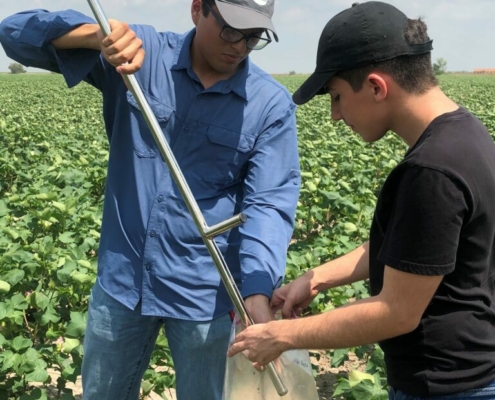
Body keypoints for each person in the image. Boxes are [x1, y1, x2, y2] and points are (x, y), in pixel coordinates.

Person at [0, 1, 301, 399]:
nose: (240, 45)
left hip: (205, 296)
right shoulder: (138, 53)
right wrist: (95, 36)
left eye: (254, 36)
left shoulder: (269, 104)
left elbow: (269, 204)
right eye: (232, 30)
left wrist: (258, 291)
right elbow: (14, 34)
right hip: (123, 283)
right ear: (198, 10)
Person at [227, 1, 495, 398]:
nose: (335, 116)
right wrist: (316, 278)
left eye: (336, 97)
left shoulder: (431, 171)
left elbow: (396, 312)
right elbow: (412, 252)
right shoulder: (463, 134)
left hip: (448, 386)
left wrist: (282, 335)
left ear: (375, 86)